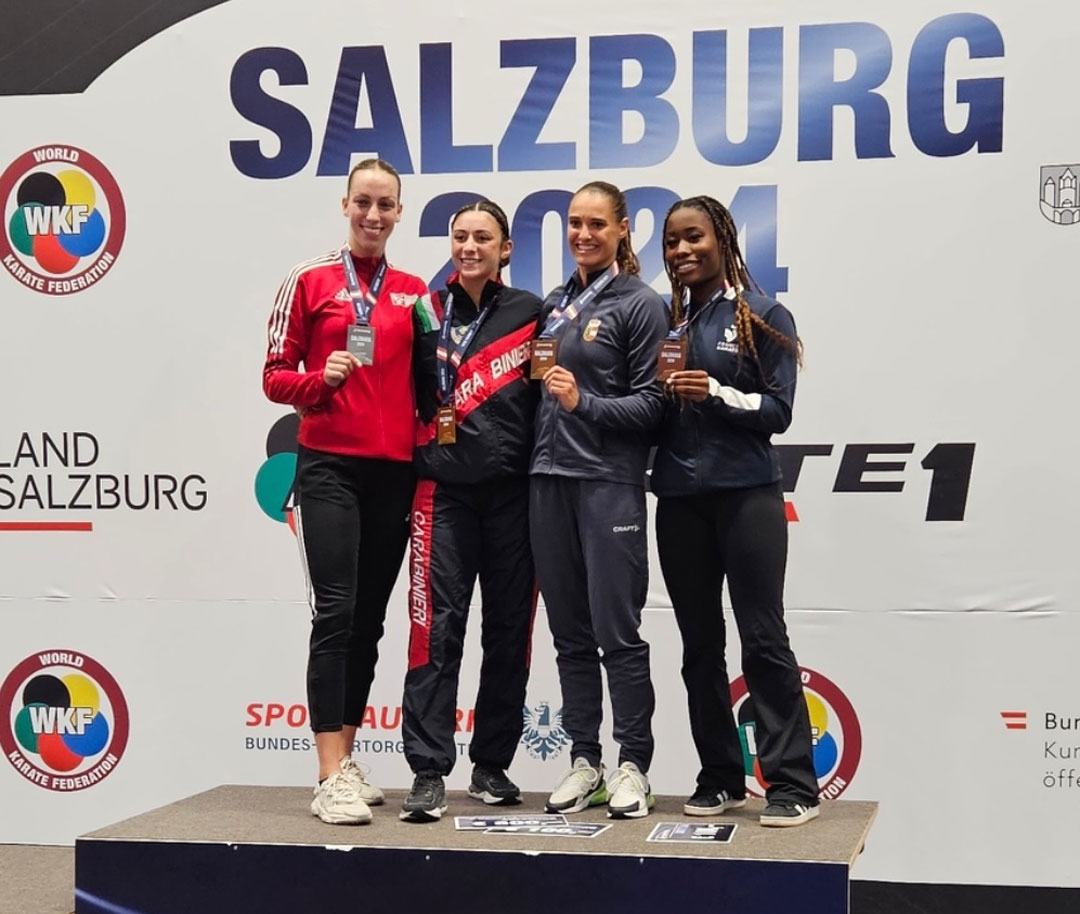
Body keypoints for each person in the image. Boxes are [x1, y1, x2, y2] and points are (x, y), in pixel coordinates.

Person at [262, 158, 429, 825]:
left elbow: (430, 381)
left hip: (394, 472)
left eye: (385, 205)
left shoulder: (414, 292)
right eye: (363, 202)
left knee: (369, 621)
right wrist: (318, 380)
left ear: (399, 212)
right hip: (329, 465)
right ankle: (327, 773)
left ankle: (349, 759)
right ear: (345, 205)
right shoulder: (309, 280)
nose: (373, 215)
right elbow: (274, 376)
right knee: (334, 613)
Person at [652, 195, 820, 827]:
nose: (682, 250)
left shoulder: (764, 314)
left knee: (763, 637)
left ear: (722, 239)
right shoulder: (666, 321)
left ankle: (793, 783)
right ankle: (720, 776)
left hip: (747, 496)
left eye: (694, 237)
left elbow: (779, 411)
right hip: (678, 501)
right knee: (699, 645)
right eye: (672, 241)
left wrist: (718, 391)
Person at [399, 200, 542, 822]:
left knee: (509, 632)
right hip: (442, 492)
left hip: (514, 496)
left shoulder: (531, 312)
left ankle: (491, 766)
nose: (470, 247)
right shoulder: (424, 312)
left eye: (483, 237)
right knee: (435, 630)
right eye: (460, 236)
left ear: (505, 248)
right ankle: (428, 770)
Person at [529, 181, 668, 819]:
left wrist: (584, 403)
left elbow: (654, 407)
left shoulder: (641, 304)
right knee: (569, 635)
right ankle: (585, 760)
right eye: (574, 223)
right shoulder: (556, 304)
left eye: (596, 224)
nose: (583, 235)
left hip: (608, 484)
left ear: (621, 230)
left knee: (619, 632)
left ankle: (633, 764)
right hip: (548, 481)